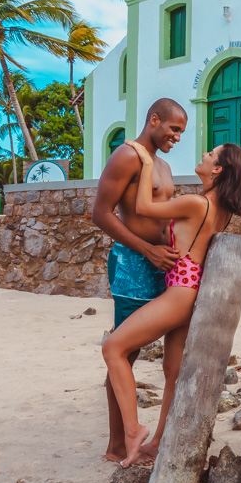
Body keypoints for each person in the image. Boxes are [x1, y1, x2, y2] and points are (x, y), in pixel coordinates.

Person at [103, 133, 241, 467]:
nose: (204, 154)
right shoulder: (225, 204)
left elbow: (144, 206)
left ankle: (133, 431)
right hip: (194, 295)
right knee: (173, 371)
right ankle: (159, 441)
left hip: (179, 294)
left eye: (211, 153)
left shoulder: (196, 203)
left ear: (217, 170)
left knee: (113, 348)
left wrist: (146, 163)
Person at [91, 98, 188, 462]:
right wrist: (148, 251)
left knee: (169, 357)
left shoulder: (160, 164)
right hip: (133, 262)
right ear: (154, 120)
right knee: (123, 352)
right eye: (173, 129)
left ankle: (155, 440)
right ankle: (117, 446)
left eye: (181, 132)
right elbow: (101, 213)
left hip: (162, 267)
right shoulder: (126, 156)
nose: (177, 137)